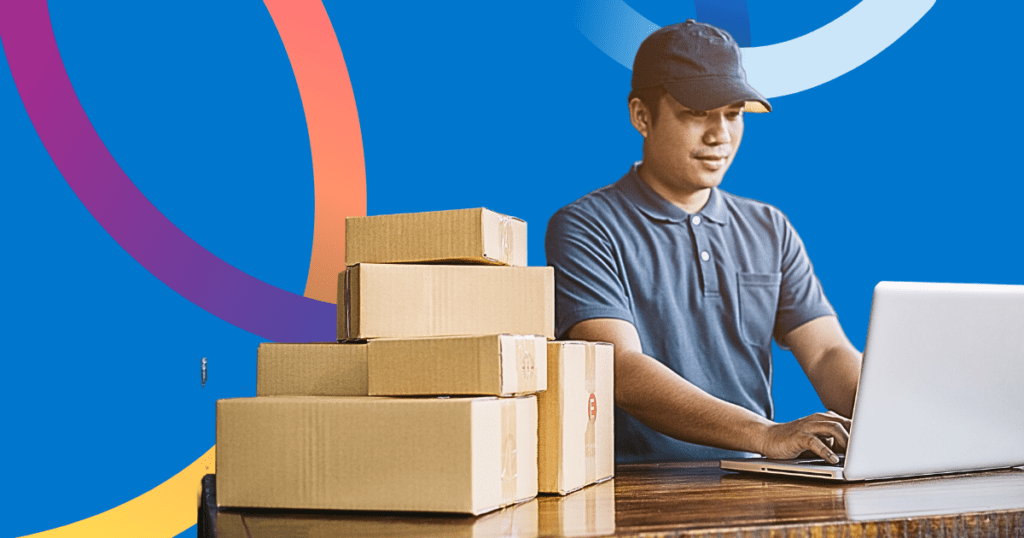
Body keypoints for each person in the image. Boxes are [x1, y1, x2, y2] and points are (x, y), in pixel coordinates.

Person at [545, 20, 862, 463]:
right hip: (637, 495)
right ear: (641, 116)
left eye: (733, 113)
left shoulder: (770, 227)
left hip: (755, 483)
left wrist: (896, 411)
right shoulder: (585, 227)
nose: (720, 135)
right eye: (696, 112)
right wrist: (765, 434)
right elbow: (620, 368)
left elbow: (828, 351)